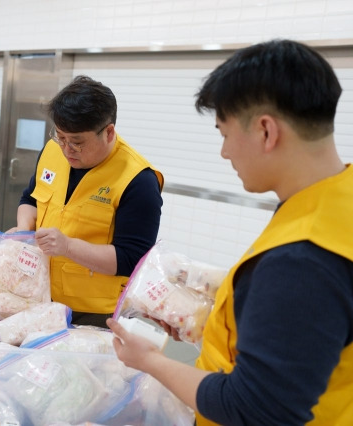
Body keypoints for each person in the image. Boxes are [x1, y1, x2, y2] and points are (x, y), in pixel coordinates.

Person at [107, 39, 353, 425]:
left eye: (224, 133)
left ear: (266, 131)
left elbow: (255, 408)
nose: (224, 152)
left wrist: (149, 360)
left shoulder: (302, 259)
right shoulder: (337, 198)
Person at [11, 75, 164, 327]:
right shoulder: (53, 151)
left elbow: (131, 259)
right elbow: (30, 197)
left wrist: (68, 247)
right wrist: (23, 232)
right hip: (39, 295)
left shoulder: (138, 180)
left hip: (95, 313)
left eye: (77, 142)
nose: (66, 149)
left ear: (109, 132)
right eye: (60, 137)